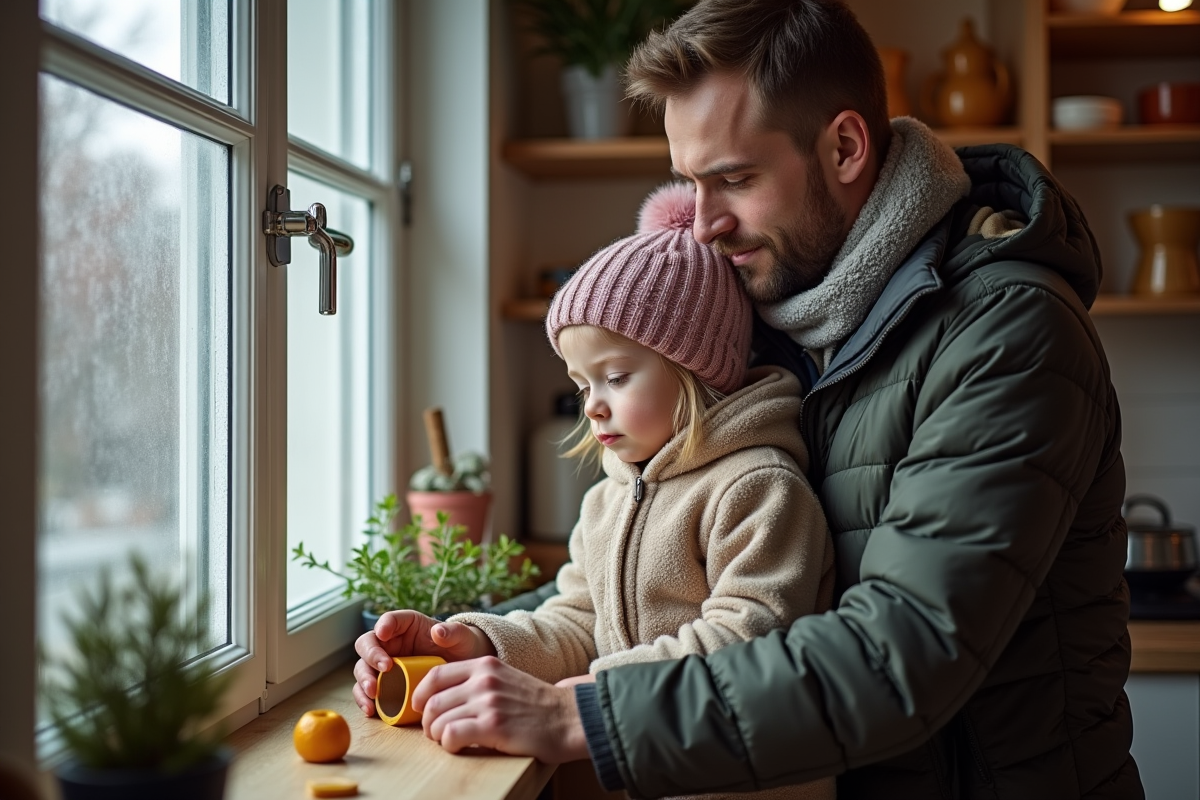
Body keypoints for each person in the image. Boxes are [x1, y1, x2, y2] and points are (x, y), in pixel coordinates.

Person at [354, 1, 1142, 796]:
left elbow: (905, 651)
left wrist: (580, 716)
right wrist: (480, 645)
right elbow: (622, 593)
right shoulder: (774, 312)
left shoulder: (1010, 333)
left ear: (843, 146)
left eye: (734, 178)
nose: (702, 226)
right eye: (690, 184)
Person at [354, 183, 836, 800]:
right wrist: (471, 643)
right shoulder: (608, 501)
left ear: (698, 369)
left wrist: (572, 702)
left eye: (614, 376)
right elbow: (578, 628)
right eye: (582, 384)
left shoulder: (759, 489)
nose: (593, 406)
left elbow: (744, 649)